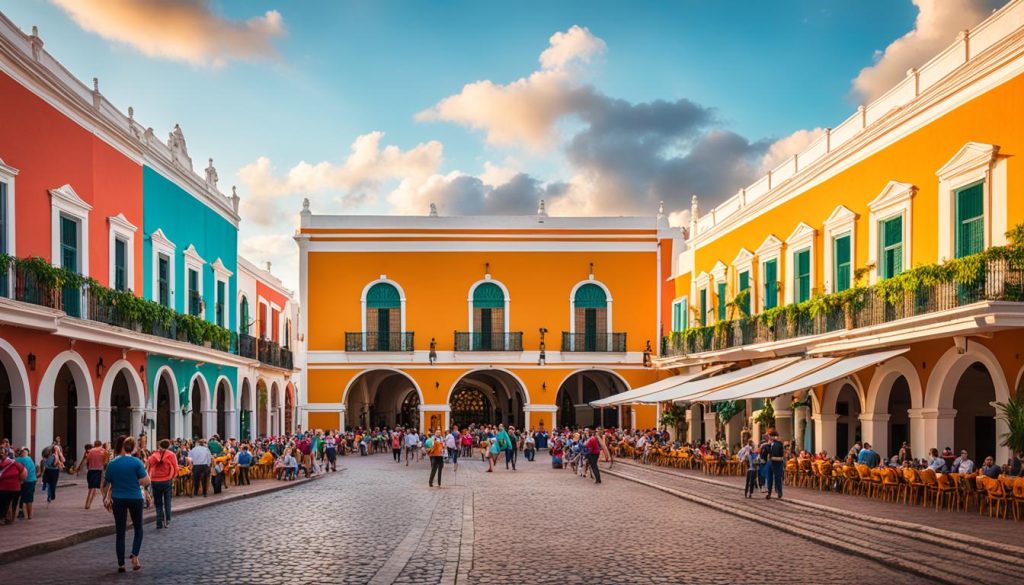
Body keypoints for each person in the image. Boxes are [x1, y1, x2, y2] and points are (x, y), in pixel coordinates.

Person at [146, 439, 177, 530]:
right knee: (167, 501)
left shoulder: (154, 454)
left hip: (155, 480)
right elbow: (175, 467)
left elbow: (149, 465)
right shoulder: (171, 455)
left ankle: (159, 522)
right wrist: (173, 477)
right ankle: (167, 521)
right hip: (167, 480)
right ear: (168, 446)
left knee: (158, 502)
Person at [0, 448, 26, 524]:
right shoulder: (15, 463)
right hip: (14, 488)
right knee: (11, 503)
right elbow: (24, 474)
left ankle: (4, 518)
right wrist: (19, 480)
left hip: (4, 488)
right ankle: (9, 518)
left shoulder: (14, 463)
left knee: (4, 503)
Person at [80, 440, 106, 509]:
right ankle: (106, 503)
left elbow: (86, 461)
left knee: (91, 488)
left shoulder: (90, 451)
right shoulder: (103, 451)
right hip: (99, 471)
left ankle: (87, 504)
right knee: (102, 488)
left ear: (94, 444)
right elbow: (106, 461)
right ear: (101, 444)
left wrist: (79, 468)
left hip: (91, 471)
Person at [15, 447, 36, 520]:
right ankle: (29, 515)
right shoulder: (28, 459)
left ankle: (19, 514)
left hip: (22, 481)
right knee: (28, 499)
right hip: (30, 480)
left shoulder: (17, 460)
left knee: (19, 498)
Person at [765, 432, 785, 500]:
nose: (769, 438)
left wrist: (768, 446)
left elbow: (774, 453)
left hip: (777, 463)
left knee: (777, 478)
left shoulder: (778, 444)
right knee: (769, 478)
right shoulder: (770, 444)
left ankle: (779, 492)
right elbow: (766, 453)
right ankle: (769, 492)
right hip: (770, 462)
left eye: (769, 436)